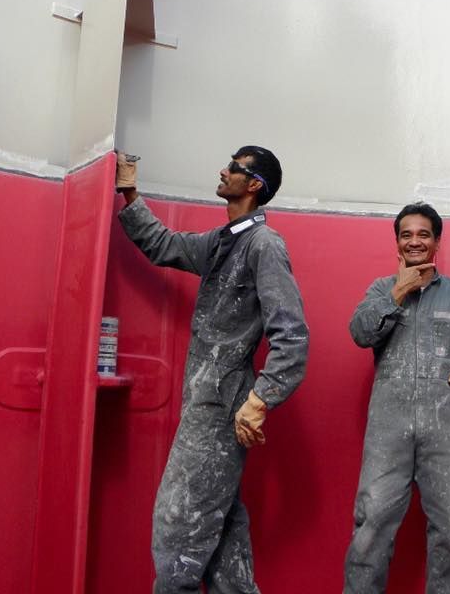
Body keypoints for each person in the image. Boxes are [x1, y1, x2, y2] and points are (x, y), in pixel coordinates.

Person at [115, 146, 309, 594]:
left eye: (234, 168)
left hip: (222, 410)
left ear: (254, 185)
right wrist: (130, 195)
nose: (223, 171)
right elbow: (163, 245)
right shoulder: (225, 241)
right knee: (223, 546)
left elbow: (293, 337)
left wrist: (259, 401)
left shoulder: (264, 245)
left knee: (178, 526)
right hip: (208, 404)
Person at [343, 202, 450, 594]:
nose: (415, 241)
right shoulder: (380, 290)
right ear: (398, 244)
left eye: (423, 234)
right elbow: (359, 332)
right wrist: (399, 290)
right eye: (407, 235)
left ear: (436, 242)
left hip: (447, 428)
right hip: (389, 429)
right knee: (371, 525)